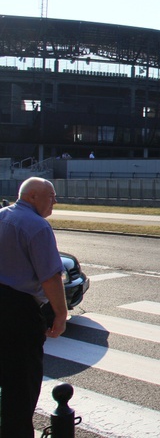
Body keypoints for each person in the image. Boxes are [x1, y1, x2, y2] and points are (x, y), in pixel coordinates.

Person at [0, 177, 67, 437]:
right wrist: (60, 314)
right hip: (18, 311)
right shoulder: (37, 226)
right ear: (32, 197)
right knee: (21, 384)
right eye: (51, 196)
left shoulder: (2, 216)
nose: (54, 201)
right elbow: (50, 276)